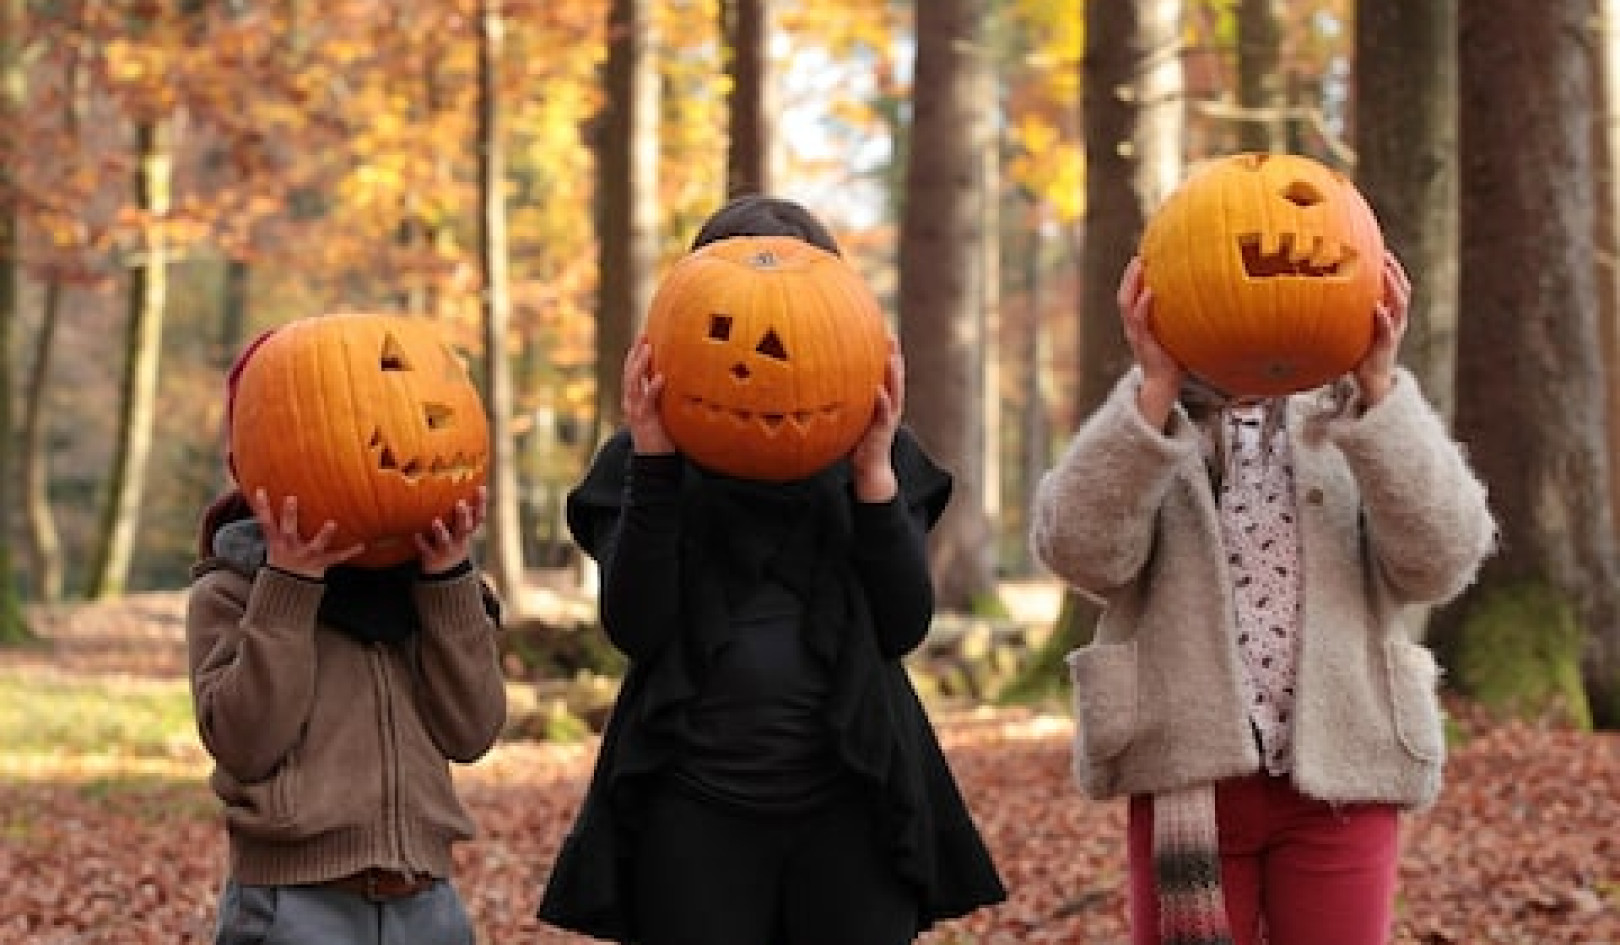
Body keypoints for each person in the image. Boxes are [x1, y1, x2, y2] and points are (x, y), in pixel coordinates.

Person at [536, 194, 1007, 945]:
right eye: (723, 322)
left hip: (853, 803)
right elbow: (636, 626)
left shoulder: (882, 461)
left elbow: (902, 624)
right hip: (690, 812)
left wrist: (875, 477)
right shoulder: (639, 465)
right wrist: (655, 464)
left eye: (798, 319)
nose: (766, 357)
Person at [1029, 251, 1496, 945]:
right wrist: (1153, 389)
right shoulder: (1154, 421)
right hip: (1189, 776)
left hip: (1344, 775)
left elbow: (1443, 557)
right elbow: (1081, 551)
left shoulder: (1355, 414)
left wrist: (1379, 388)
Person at [185, 348, 508, 945]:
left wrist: (446, 581)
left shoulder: (431, 588)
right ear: (247, 462)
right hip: (293, 907)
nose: (370, 446)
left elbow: (473, 731)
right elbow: (245, 742)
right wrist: (289, 588)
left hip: (427, 901)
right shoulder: (231, 589)